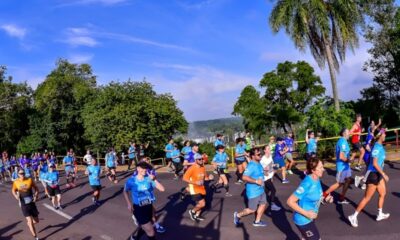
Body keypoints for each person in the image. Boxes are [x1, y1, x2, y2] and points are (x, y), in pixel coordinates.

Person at [348, 129, 390, 227]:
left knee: (383, 193)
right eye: (384, 134)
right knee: (367, 198)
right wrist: (383, 174)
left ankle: (380, 214)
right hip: (373, 175)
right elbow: (375, 163)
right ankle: (353, 216)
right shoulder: (376, 147)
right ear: (380, 136)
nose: (385, 135)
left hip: (377, 174)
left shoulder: (379, 146)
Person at [287, 158, 332, 240]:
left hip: (310, 218)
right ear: (313, 170)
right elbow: (290, 201)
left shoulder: (316, 179)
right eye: (321, 167)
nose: (323, 169)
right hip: (303, 220)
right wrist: (307, 214)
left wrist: (326, 199)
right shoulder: (307, 183)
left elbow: (316, 195)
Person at [124, 161, 165, 240]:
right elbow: (125, 191)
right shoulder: (131, 181)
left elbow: (162, 189)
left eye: (146, 168)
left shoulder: (149, 178)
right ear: (138, 168)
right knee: (151, 231)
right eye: (143, 168)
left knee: (144, 226)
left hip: (149, 206)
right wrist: (129, 203)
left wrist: (154, 179)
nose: (145, 170)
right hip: (139, 208)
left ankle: (136, 237)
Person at [234, 148, 267, 227]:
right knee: (252, 210)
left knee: (263, 204)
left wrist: (264, 171)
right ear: (252, 156)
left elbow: (258, 172)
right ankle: (238, 215)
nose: (260, 155)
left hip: (261, 190)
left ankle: (257, 222)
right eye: (258, 154)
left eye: (261, 154)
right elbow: (244, 177)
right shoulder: (251, 165)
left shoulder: (258, 163)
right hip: (253, 192)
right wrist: (256, 181)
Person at [323, 128, 354, 204]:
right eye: (348, 132)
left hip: (345, 166)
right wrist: (349, 160)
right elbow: (341, 156)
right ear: (343, 133)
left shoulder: (344, 141)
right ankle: (324, 195)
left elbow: (345, 154)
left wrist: (350, 157)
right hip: (342, 167)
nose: (349, 133)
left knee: (348, 180)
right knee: (339, 183)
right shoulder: (342, 142)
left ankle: (341, 198)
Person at [11, 168, 40, 240]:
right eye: (20, 174)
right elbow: (13, 190)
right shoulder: (16, 182)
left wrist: (36, 196)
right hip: (23, 204)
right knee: (30, 221)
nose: (22, 175)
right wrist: (16, 196)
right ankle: (35, 236)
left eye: (23, 173)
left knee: (36, 221)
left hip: (31, 203)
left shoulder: (29, 180)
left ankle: (30, 224)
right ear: (18, 174)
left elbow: (36, 188)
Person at [183, 153, 213, 222]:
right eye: (200, 159)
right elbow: (184, 178)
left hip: (201, 188)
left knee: (200, 204)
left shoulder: (202, 167)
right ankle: (192, 211)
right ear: (196, 160)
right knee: (202, 204)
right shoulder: (192, 168)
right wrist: (195, 182)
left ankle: (197, 215)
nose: (201, 160)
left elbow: (205, 178)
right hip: (194, 189)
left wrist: (209, 178)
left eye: (202, 159)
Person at [355, 118, 382, 190]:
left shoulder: (372, 135)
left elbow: (378, 132)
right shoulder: (370, 136)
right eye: (372, 125)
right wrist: (372, 152)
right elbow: (367, 147)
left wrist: (380, 125)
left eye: (374, 124)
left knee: (368, 169)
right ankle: (361, 179)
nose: (374, 126)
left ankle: (364, 183)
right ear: (371, 128)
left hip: (367, 155)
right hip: (367, 155)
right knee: (369, 169)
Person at [260, 145, 281, 211]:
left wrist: (275, 166)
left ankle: (261, 202)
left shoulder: (270, 157)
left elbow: (271, 165)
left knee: (267, 191)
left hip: (269, 176)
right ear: (265, 150)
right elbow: (263, 169)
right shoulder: (263, 159)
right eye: (268, 149)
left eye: (270, 149)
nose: (269, 150)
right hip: (265, 178)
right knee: (273, 190)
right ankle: (272, 204)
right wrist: (266, 169)